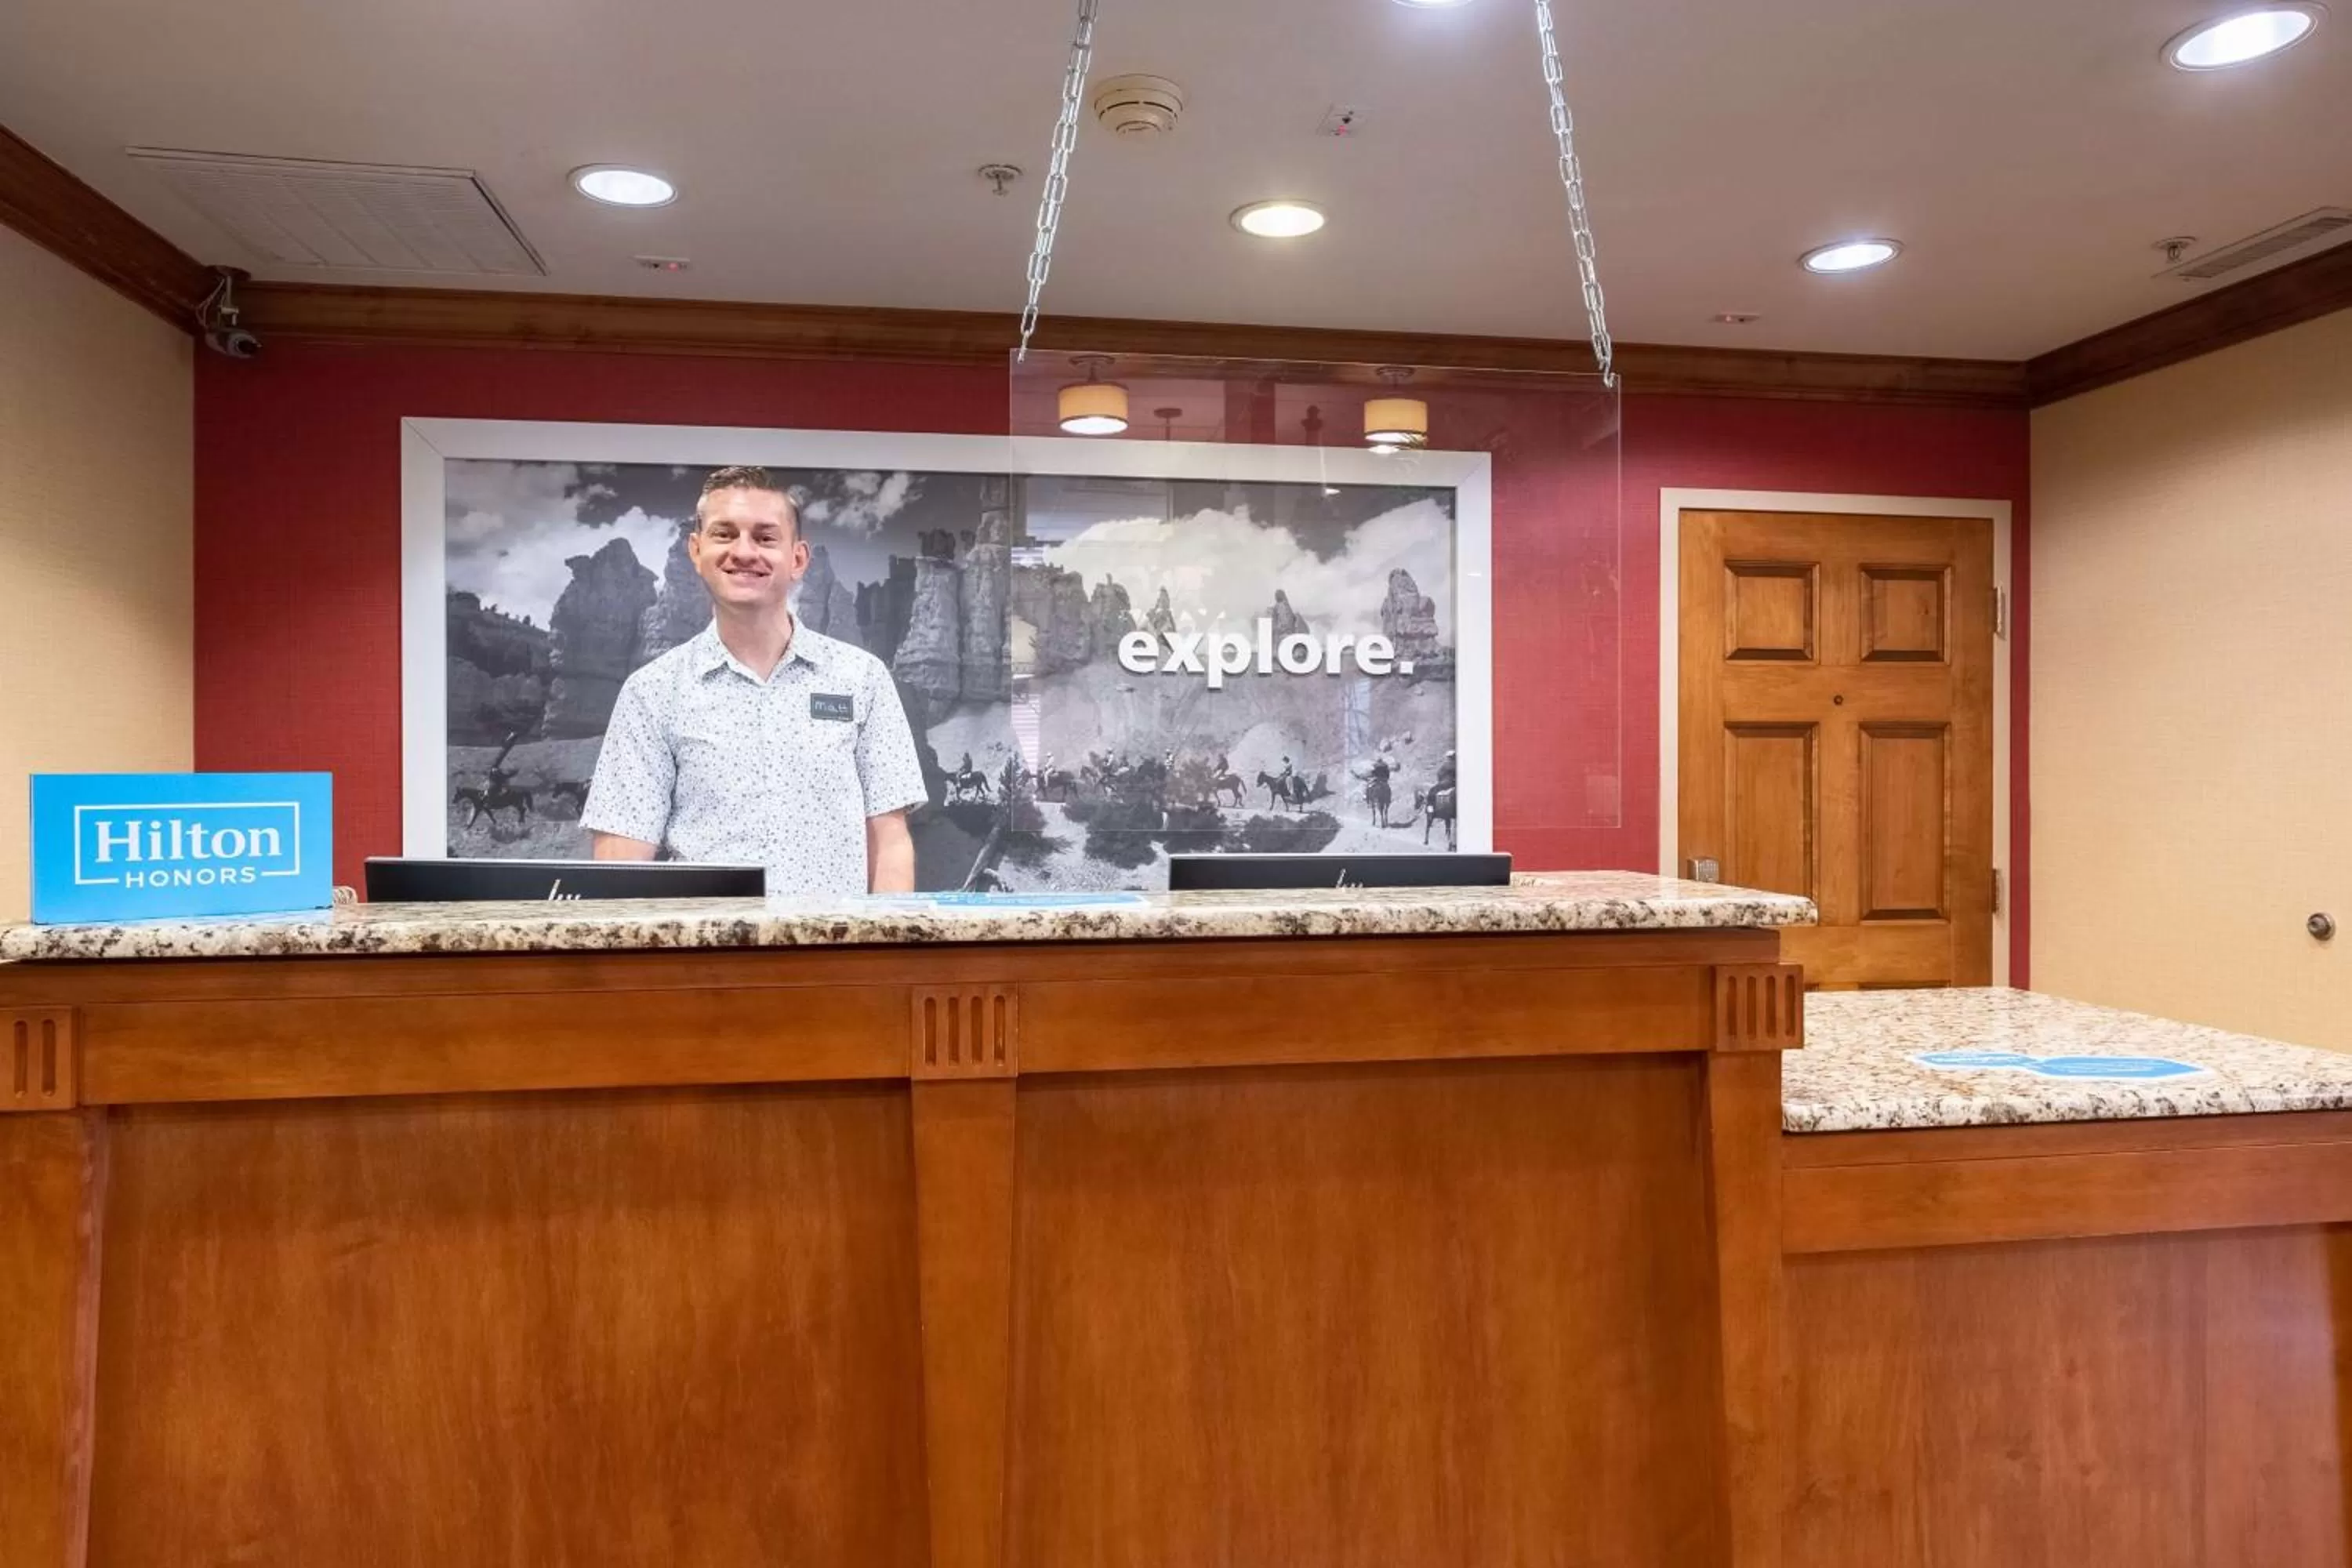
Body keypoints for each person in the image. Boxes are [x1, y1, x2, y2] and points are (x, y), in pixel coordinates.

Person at [581, 465, 926, 894]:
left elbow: (890, 844)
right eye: (725, 534)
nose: (744, 552)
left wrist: (884, 955)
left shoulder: (863, 679)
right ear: (696, 550)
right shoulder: (651, 692)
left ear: (798, 559)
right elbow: (622, 863)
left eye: (765, 537)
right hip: (704, 958)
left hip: (836, 955)